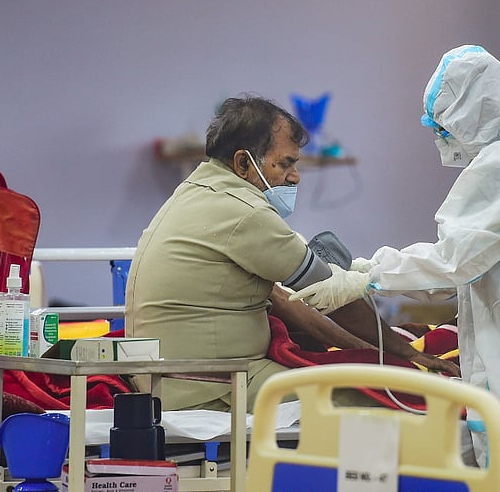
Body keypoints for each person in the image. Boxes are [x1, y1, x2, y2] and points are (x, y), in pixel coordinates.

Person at [291, 45, 500, 468]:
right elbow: (461, 263)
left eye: (445, 128)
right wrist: (366, 269)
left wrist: (367, 277)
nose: (441, 139)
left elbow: (452, 260)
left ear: (474, 116)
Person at [125, 94, 458, 412]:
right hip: (214, 384)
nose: (295, 176)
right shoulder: (245, 213)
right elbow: (332, 295)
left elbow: (289, 302)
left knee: (364, 372)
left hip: (168, 379)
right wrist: (405, 355)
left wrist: (375, 351)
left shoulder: (196, 192)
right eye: (285, 164)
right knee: (383, 400)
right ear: (243, 162)